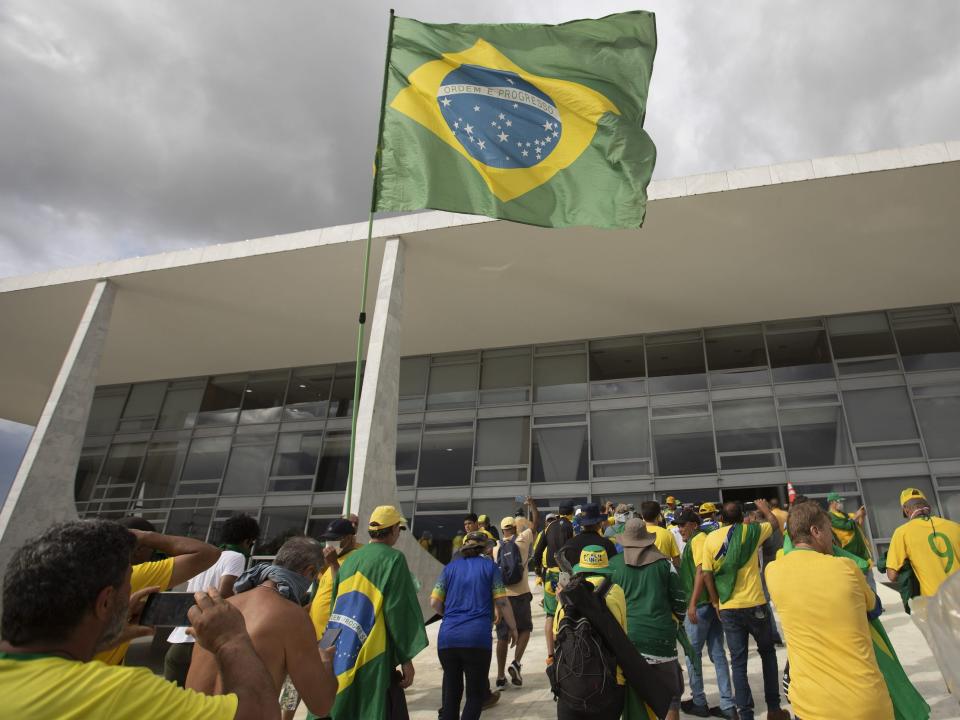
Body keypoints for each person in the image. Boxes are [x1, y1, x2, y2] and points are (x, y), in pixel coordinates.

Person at [0, 520, 279, 720]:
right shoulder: (117, 693)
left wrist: (108, 635)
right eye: (128, 585)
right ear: (106, 602)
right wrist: (231, 640)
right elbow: (259, 714)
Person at [766, 501, 894, 720]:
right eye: (828, 530)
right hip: (864, 703)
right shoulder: (846, 567)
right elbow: (874, 609)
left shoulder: (773, 572)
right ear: (815, 531)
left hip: (810, 704)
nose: (832, 538)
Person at [187, 536, 337, 718]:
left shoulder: (219, 609)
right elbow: (321, 705)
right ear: (309, 572)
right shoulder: (292, 617)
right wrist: (325, 661)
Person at [321, 506, 428, 720]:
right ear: (394, 529)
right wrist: (406, 659)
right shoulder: (393, 559)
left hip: (343, 645)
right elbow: (398, 611)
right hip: (373, 650)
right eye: (399, 528)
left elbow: (336, 604)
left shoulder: (350, 559)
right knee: (373, 707)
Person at [701, 500, 788, 720]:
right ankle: (774, 708)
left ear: (721, 518)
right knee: (767, 654)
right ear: (742, 518)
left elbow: (707, 575)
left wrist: (714, 602)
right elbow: (774, 523)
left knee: (738, 662)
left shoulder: (710, 539)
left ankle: (745, 713)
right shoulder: (751, 532)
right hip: (756, 604)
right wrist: (765, 507)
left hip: (729, 606)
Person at [95, 516, 221, 665]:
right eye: (152, 548)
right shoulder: (134, 575)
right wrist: (147, 537)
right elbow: (207, 553)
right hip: (96, 679)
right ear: (139, 548)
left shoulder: (88, 575)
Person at [430, 531, 518, 720]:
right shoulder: (490, 567)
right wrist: (513, 627)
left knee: (451, 696)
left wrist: (452, 616)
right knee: (475, 695)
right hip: (477, 638)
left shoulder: (450, 568)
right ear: (485, 548)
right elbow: (502, 602)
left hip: (448, 639)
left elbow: (434, 603)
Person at [165, 513, 260, 687]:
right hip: (204, 642)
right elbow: (224, 592)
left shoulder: (208, 557)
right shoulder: (236, 557)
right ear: (247, 541)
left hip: (179, 640)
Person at [608, 519, 686, 720]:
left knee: (632, 700)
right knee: (670, 700)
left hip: (627, 643)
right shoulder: (664, 564)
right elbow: (680, 602)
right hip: (661, 642)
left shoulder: (613, 566)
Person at [552, 546, 627, 719]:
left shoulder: (566, 595)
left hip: (571, 687)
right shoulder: (615, 591)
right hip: (609, 685)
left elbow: (557, 634)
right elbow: (622, 634)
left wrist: (561, 600)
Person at [675, 510, 734, 719]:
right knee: (717, 653)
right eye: (678, 525)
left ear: (693, 524)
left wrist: (692, 603)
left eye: (683, 525)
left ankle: (699, 701)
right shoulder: (700, 538)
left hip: (699, 606)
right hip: (708, 603)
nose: (680, 529)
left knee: (693, 655)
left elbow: (702, 570)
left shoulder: (698, 539)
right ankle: (728, 704)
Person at [492, 498, 539, 689]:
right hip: (521, 594)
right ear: (514, 527)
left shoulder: (496, 548)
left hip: (503, 597)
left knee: (502, 637)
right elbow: (536, 523)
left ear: (503, 530)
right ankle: (516, 662)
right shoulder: (523, 539)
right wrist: (533, 507)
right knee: (525, 629)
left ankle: (500, 676)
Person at [887, 487, 960, 597]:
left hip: (936, 602)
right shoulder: (955, 527)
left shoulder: (902, 533)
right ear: (928, 507)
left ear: (906, 510)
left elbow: (892, 575)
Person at [531, 501, 575, 661]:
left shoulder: (549, 527)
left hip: (550, 575)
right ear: (571, 512)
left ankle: (550, 655)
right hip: (566, 575)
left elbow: (537, 552)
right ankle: (566, 651)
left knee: (550, 614)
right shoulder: (572, 526)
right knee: (568, 612)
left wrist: (538, 570)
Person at [309, 518, 362, 640]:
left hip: (331, 633)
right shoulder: (336, 559)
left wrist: (333, 564)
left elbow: (345, 590)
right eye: (328, 539)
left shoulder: (354, 559)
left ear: (348, 539)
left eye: (334, 539)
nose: (329, 543)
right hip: (317, 632)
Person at [826, 491, 875, 589]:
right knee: (859, 581)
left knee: (869, 581)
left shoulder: (843, 515)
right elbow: (847, 526)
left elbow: (857, 524)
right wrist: (857, 515)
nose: (841, 504)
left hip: (860, 551)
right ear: (832, 503)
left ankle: (874, 601)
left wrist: (861, 515)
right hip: (850, 551)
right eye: (839, 501)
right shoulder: (831, 516)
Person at [640, 501, 680, 566]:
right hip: (664, 573)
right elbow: (676, 560)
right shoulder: (668, 534)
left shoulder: (637, 534)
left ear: (642, 516)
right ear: (659, 515)